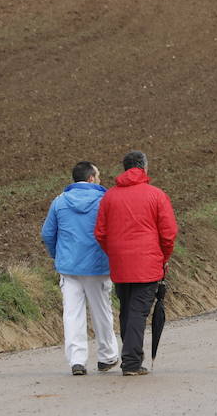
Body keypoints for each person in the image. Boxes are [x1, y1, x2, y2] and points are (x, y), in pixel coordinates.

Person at [94, 150, 178, 376]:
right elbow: (168, 233)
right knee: (138, 312)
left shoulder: (109, 196)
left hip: (120, 263)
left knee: (127, 311)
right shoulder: (156, 195)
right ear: (144, 168)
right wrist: (163, 257)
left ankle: (131, 356)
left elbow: (100, 233)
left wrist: (114, 252)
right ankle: (131, 362)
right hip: (148, 264)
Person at [41, 161, 120, 375]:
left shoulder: (60, 202)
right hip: (98, 265)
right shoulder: (105, 201)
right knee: (102, 312)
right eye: (99, 175)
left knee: (72, 313)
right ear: (91, 178)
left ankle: (77, 360)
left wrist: (59, 256)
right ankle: (107, 356)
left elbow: (47, 234)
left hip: (69, 267)